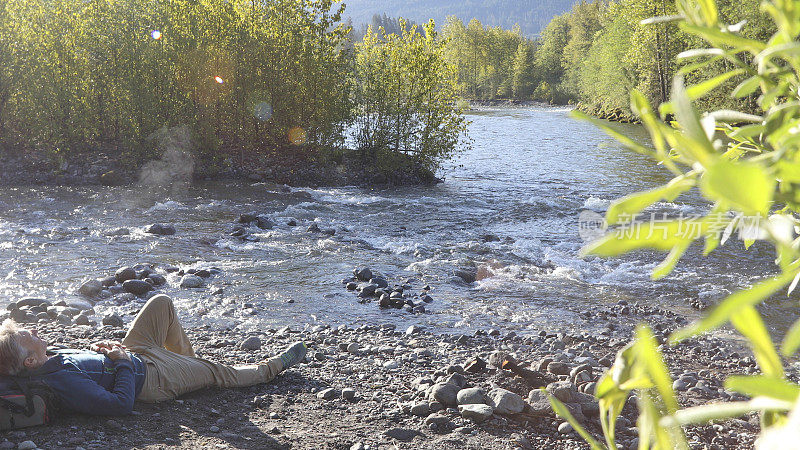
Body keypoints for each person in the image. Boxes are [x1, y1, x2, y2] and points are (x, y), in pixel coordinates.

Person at [0, 294, 307, 415]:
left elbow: (83, 364)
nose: (37, 330)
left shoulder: (46, 361)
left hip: (134, 353)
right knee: (219, 372)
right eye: (30, 335)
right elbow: (118, 405)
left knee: (161, 303)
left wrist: (100, 350)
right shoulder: (62, 381)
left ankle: (190, 365)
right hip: (151, 379)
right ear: (30, 361)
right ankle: (273, 367)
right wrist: (121, 364)